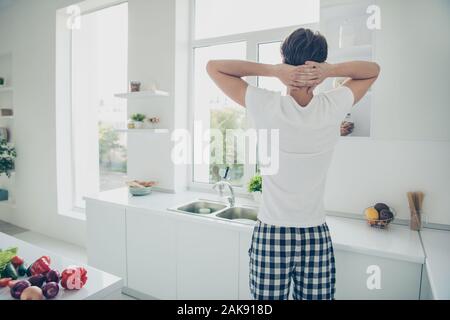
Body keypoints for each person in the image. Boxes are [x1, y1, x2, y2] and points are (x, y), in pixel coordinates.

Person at [207, 28, 380, 300]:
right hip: (315, 234)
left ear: (285, 61)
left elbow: (214, 67)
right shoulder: (333, 105)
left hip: (272, 234)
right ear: (319, 64)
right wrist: (329, 70)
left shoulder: (265, 104)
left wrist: (275, 71)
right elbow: (372, 70)